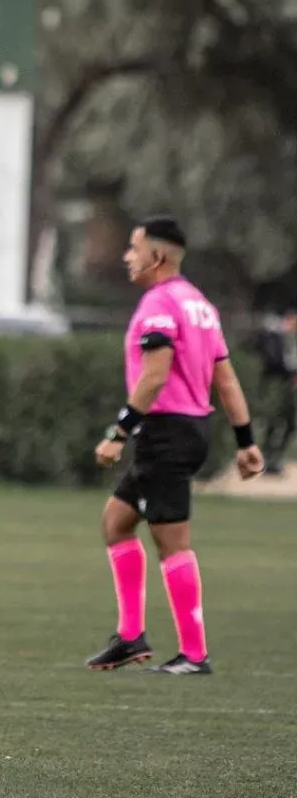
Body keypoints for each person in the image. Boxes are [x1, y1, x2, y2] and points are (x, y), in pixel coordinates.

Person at [88, 215, 264, 675]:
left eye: (134, 247)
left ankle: (194, 653)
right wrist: (245, 440)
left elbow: (155, 374)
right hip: (189, 430)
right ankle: (130, 638)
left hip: (165, 433)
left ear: (157, 256)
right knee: (116, 521)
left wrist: (117, 433)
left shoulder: (159, 303)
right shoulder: (200, 305)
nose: (128, 256)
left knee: (172, 542)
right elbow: (224, 377)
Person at [253, 308, 297, 475]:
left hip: (289, 387)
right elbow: (272, 359)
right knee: (272, 422)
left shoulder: (291, 340)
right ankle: (266, 458)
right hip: (276, 385)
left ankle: (276, 457)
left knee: (290, 424)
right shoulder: (274, 337)